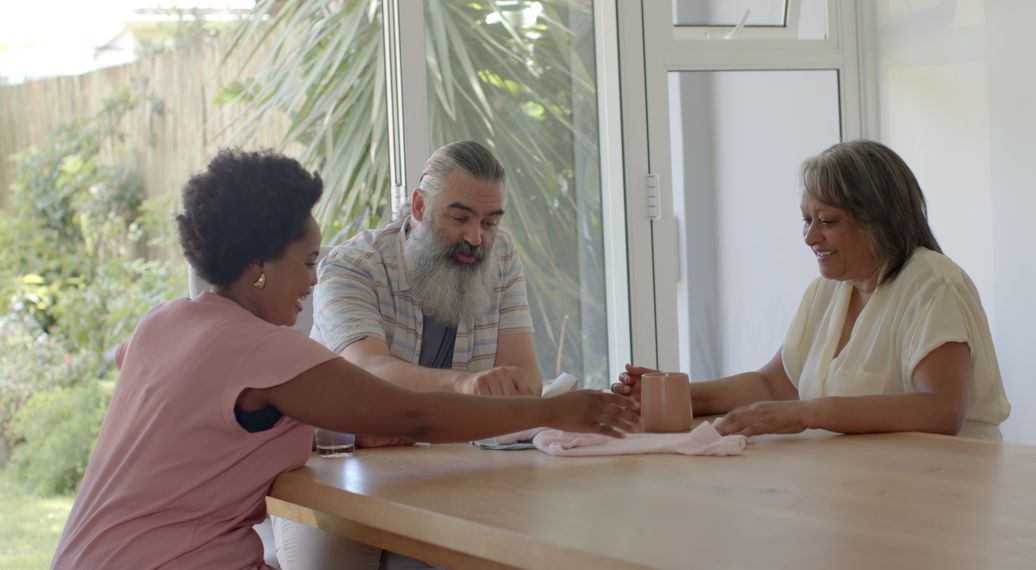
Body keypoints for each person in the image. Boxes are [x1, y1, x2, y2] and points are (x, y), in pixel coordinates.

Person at [50, 150, 638, 570]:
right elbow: (413, 417)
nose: (312, 282)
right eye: (307, 263)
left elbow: (197, 436)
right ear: (258, 265)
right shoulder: (265, 349)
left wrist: (340, 430)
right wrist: (560, 411)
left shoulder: (162, 322)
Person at [614, 140, 1010, 441]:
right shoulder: (827, 291)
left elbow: (941, 410)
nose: (810, 238)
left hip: (946, 492)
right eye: (806, 220)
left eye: (826, 220)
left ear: (879, 220)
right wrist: (670, 392)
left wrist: (807, 413)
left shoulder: (933, 285)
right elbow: (774, 385)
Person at [273, 141, 543, 569]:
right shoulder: (352, 265)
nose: (476, 239)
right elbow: (366, 369)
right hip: (342, 470)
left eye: (490, 222)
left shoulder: (502, 256)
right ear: (418, 206)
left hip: (453, 469)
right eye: (460, 218)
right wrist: (464, 386)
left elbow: (523, 380)